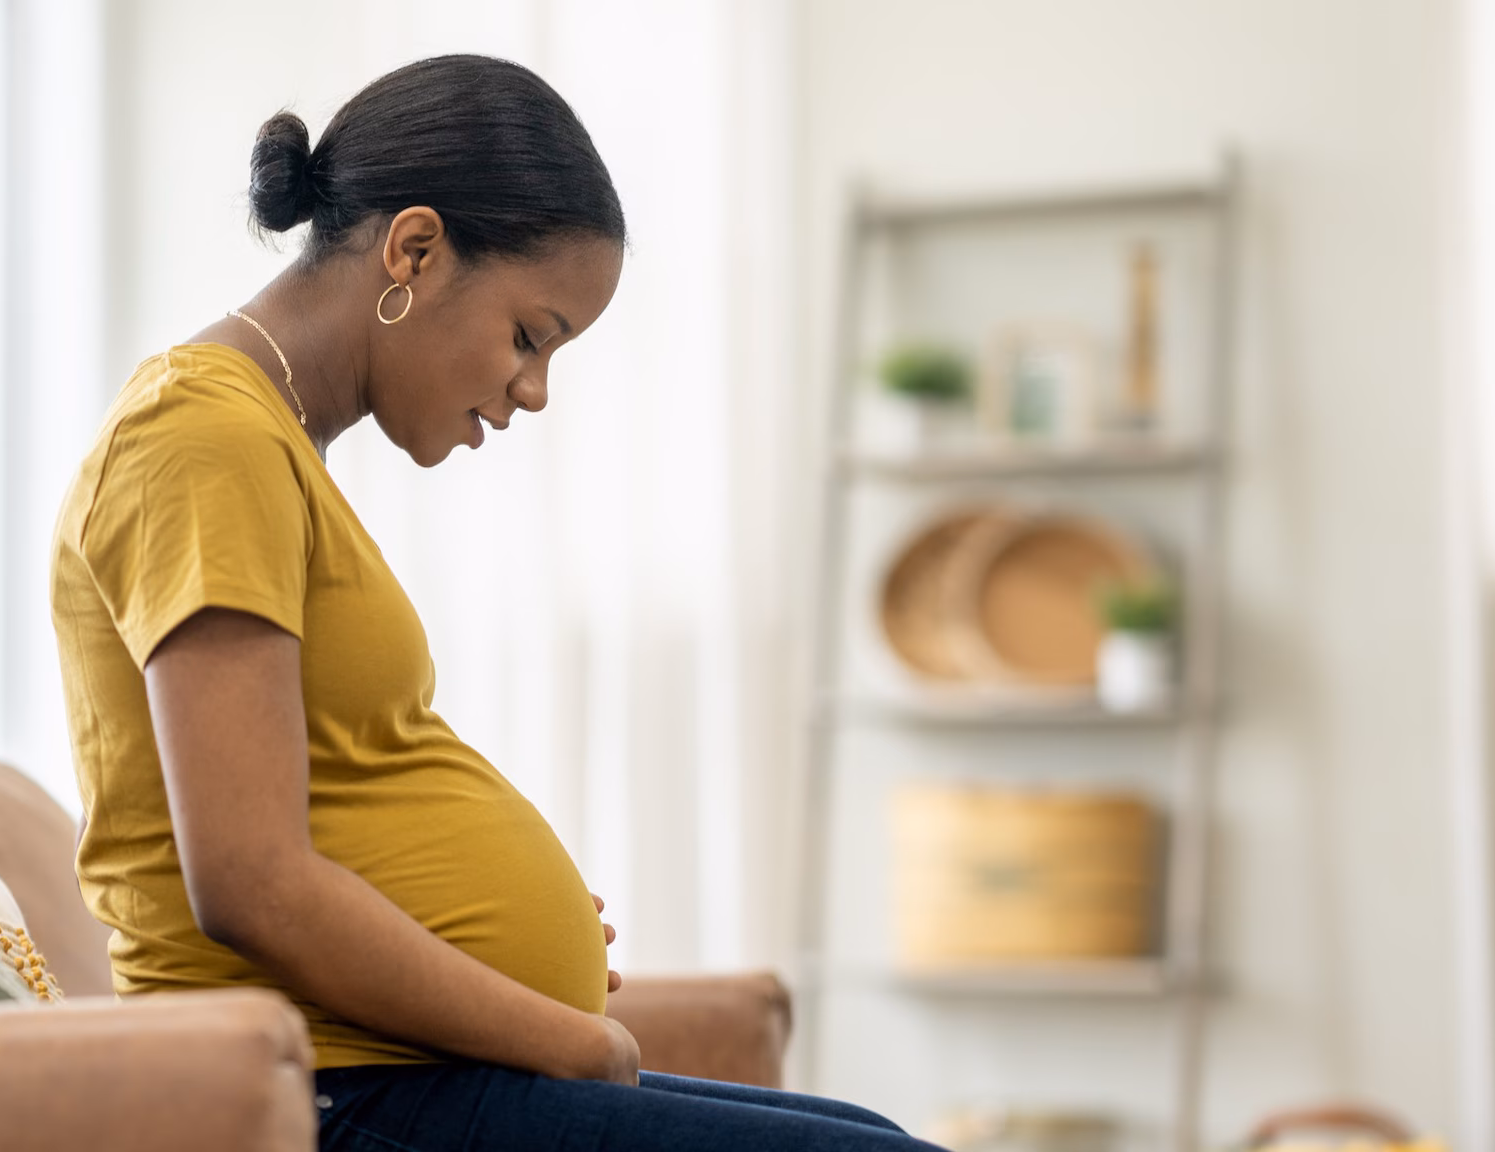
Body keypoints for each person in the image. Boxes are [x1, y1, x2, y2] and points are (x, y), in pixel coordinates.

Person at [50, 52, 937, 1152]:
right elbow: (249, 880)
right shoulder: (200, 437)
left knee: (865, 1132)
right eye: (529, 335)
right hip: (326, 1095)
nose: (532, 390)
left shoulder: (264, 442)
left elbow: (332, 801)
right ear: (413, 249)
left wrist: (503, 941)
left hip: (381, 1072)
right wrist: (568, 1038)